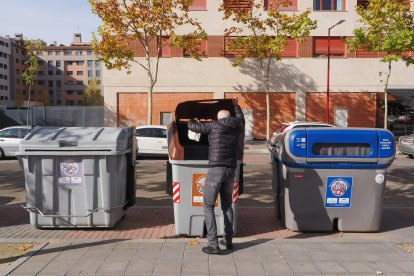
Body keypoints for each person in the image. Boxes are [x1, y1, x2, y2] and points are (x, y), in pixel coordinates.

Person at [187, 97, 245, 254]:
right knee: (227, 206)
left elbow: (192, 126)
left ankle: (213, 244)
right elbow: (241, 118)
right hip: (231, 169)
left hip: (216, 169)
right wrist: (236, 105)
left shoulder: (213, 125)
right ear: (229, 117)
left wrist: (193, 117)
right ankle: (228, 240)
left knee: (208, 205)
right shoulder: (237, 125)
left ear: (218, 118)